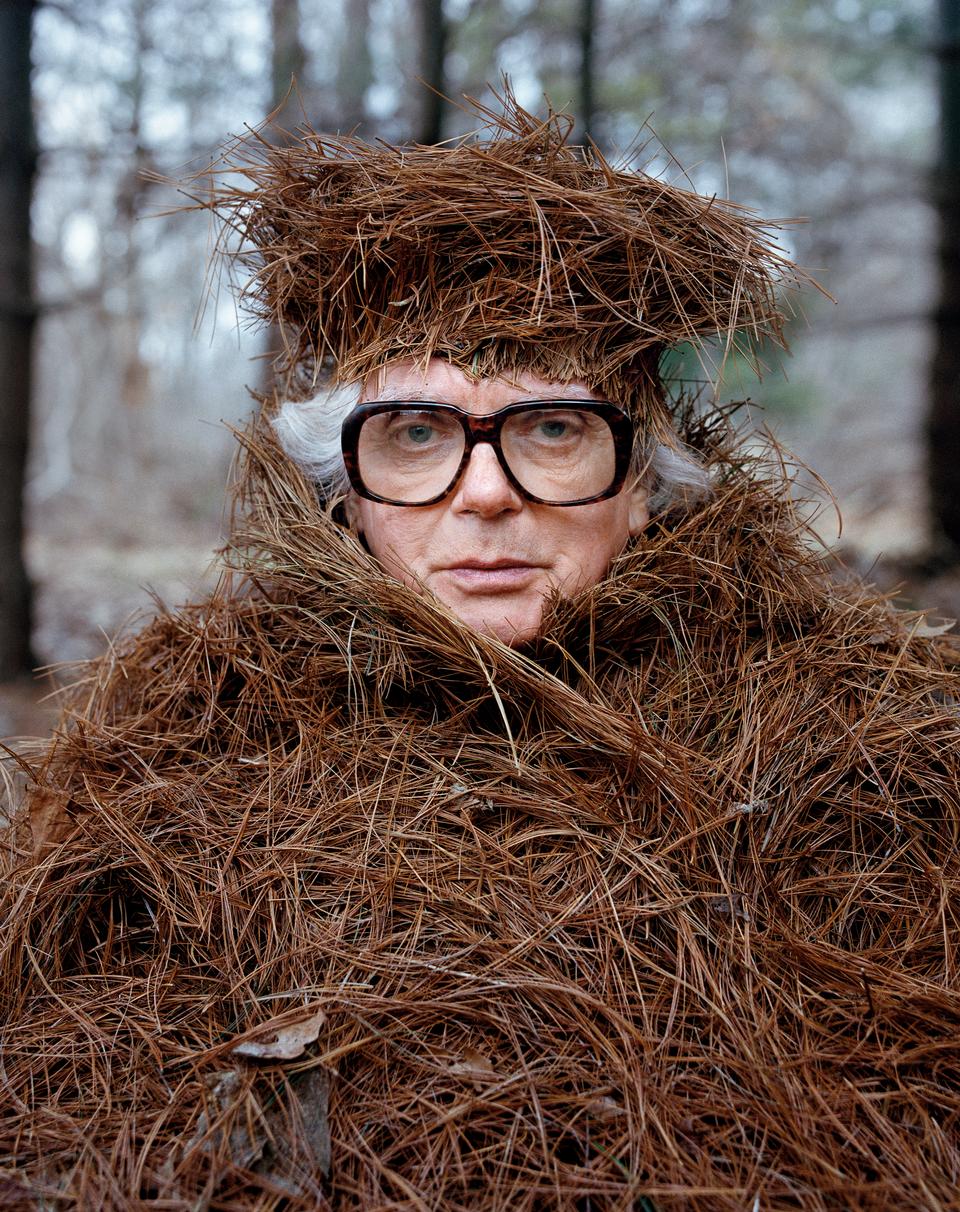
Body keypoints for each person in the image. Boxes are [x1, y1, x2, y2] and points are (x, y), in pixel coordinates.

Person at [2, 97, 959, 1209]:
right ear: (345, 492)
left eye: (554, 429)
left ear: (642, 487)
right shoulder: (162, 769)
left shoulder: (873, 759)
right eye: (416, 437)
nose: (490, 493)